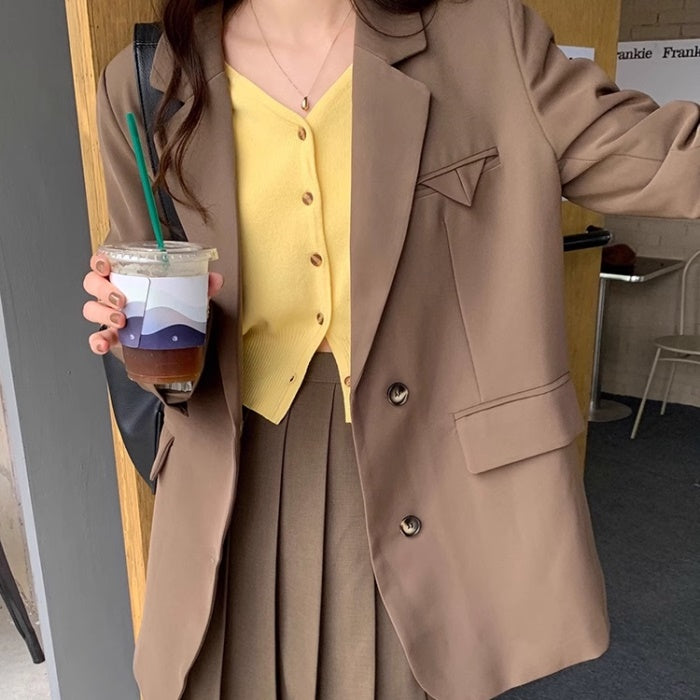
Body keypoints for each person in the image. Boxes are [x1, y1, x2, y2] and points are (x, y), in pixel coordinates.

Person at [81, 0, 700, 698]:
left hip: (424, 469)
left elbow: (668, 158)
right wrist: (128, 322)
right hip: (231, 480)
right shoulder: (146, 80)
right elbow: (147, 294)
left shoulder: (486, 39)